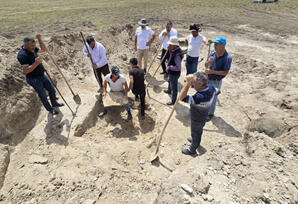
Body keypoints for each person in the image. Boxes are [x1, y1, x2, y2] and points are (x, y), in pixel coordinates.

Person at [17, 35, 64, 115]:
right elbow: (26, 71)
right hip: (33, 79)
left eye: (34, 45)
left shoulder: (32, 48)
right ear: (26, 44)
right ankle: (50, 109)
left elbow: (43, 49)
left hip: (41, 75)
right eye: (32, 46)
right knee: (43, 95)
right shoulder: (22, 55)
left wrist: (39, 39)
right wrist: (36, 63)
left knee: (51, 89)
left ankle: (54, 103)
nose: (34, 47)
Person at [179, 72, 220, 155]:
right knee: (198, 131)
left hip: (197, 119)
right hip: (204, 116)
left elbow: (181, 97)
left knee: (195, 131)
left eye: (193, 82)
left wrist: (187, 82)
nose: (192, 84)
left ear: (201, 84)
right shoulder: (211, 88)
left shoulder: (199, 97)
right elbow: (218, 91)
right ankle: (196, 140)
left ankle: (192, 149)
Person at [205, 36, 232, 121]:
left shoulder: (227, 57)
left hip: (216, 81)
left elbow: (225, 72)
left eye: (216, 44)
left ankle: (210, 114)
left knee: (213, 98)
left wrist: (212, 72)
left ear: (223, 45)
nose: (214, 46)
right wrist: (208, 62)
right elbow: (205, 65)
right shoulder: (212, 53)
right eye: (214, 44)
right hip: (208, 78)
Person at [163, 36, 183, 105]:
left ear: (175, 45)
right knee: (169, 80)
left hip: (175, 73)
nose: (168, 46)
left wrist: (169, 67)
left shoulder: (177, 55)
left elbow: (178, 67)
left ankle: (173, 101)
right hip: (171, 72)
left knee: (174, 87)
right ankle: (169, 90)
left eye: (170, 45)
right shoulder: (173, 50)